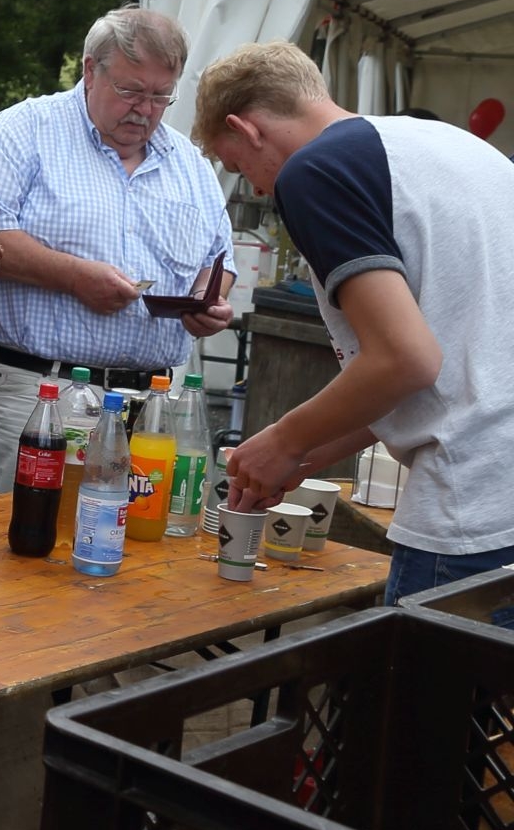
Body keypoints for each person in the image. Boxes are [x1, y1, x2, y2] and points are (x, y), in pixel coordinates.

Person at [194, 41, 514, 604]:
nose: (260, 190)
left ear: (246, 129)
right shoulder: (451, 147)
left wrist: (284, 439)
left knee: (421, 667)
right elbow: (452, 369)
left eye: (239, 168)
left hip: (473, 502)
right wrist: (302, 454)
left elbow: (406, 360)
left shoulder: (315, 171)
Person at [0, 6, 234, 496]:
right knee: (21, 534)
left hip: (150, 404)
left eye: (161, 96)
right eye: (131, 91)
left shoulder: (189, 163)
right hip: (38, 390)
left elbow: (218, 258)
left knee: (136, 540)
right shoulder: (23, 130)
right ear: (89, 69)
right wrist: (74, 277)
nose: (145, 109)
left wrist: (207, 302)